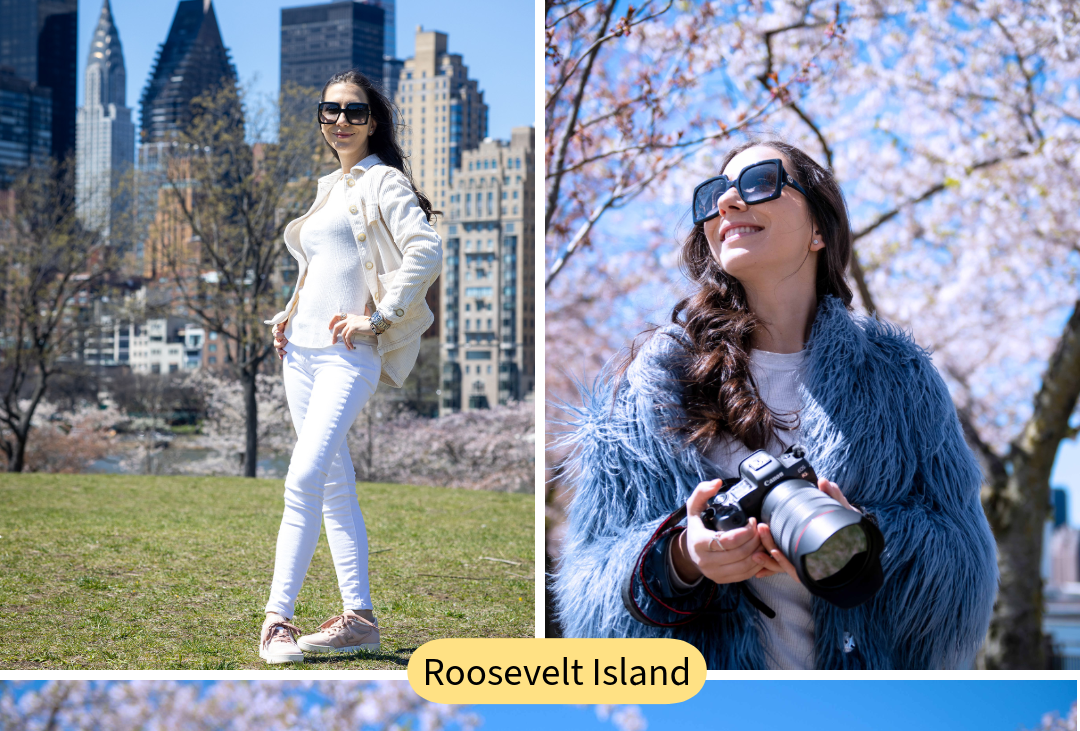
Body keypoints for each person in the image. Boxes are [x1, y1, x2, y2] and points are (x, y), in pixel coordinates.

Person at [552, 141, 997, 669]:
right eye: (714, 195)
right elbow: (586, 589)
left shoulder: (898, 380)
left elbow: (967, 569)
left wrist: (865, 537)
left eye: (760, 182)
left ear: (819, 230)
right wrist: (684, 559)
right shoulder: (658, 384)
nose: (728, 204)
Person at [258, 70, 441, 665]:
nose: (341, 121)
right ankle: (359, 620)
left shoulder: (382, 181)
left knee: (303, 479)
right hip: (301, 355)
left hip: (346, 355)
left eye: (355, 112)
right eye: (330, 110)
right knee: (334, 487)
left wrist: (382, 317)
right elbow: (323, 265)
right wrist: (288, 314)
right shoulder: (329, 187)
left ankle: (276, 622)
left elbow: (427, 249)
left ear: (374, 121)